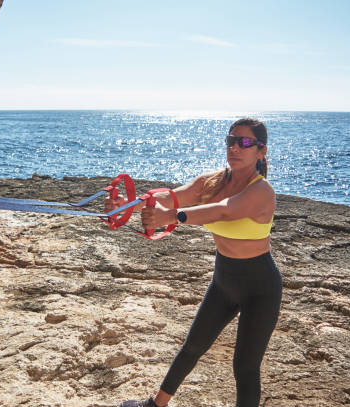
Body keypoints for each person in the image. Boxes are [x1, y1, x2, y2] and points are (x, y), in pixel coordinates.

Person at [106, 118, 282, 407]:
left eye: (245, 142)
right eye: (231, 141)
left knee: (245, 368)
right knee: (192, 347)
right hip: (224, 281)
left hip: (260, 288)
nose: (235, 147)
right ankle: (155, 405)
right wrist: (128, 205)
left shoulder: (261, 191)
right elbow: (173, 196)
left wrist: (172, 217)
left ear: (261, 151)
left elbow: (225, 211)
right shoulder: (211, 182)